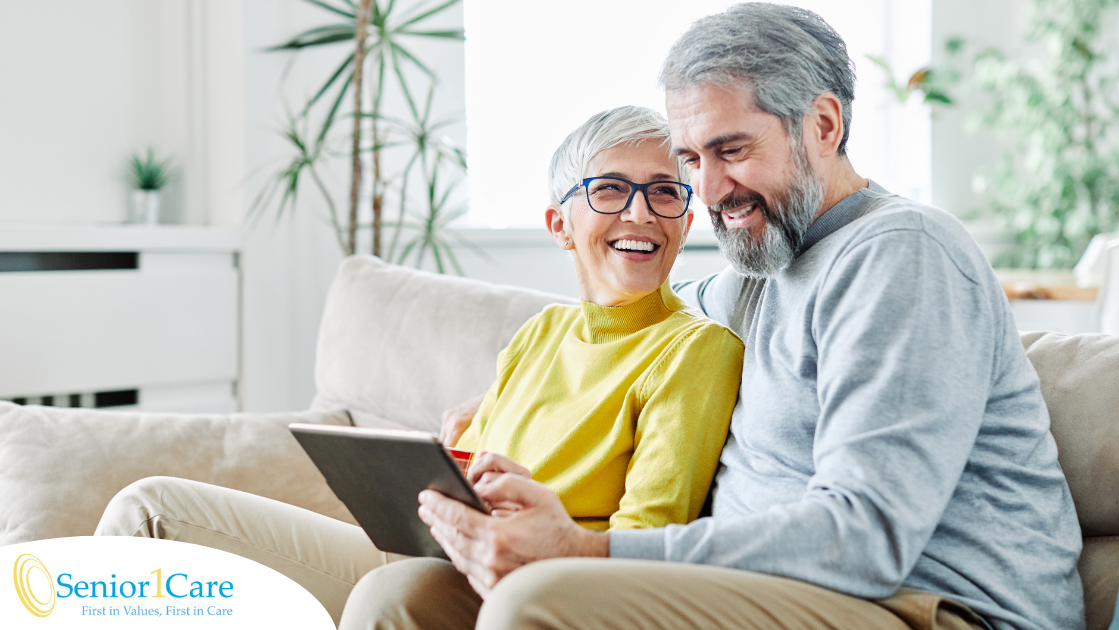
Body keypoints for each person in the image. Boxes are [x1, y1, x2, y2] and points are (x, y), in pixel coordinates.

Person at [417, 5, 1085, 630]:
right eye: (691, 160)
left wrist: (589, 550)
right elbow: (629, 329)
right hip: (786, 593)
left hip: (929, 606)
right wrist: (504, 398)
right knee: (409, 597)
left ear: (823, 126)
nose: (706, 191)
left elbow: (866, 538)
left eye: (731, 151)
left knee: (536, 601)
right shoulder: (759, 271)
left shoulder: (901, 255)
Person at [94, 105, 744, 627]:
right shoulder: (543, 331)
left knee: (393, 592)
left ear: (687, 220)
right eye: (610, 191)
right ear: (560, 224)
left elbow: (648, 541)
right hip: (435, 545)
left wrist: (546, 525)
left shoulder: (696, 349)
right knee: (149, 508)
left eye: (665, 193)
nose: (640, 213)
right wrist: (455, 456)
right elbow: (486, 461)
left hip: (530, 579)